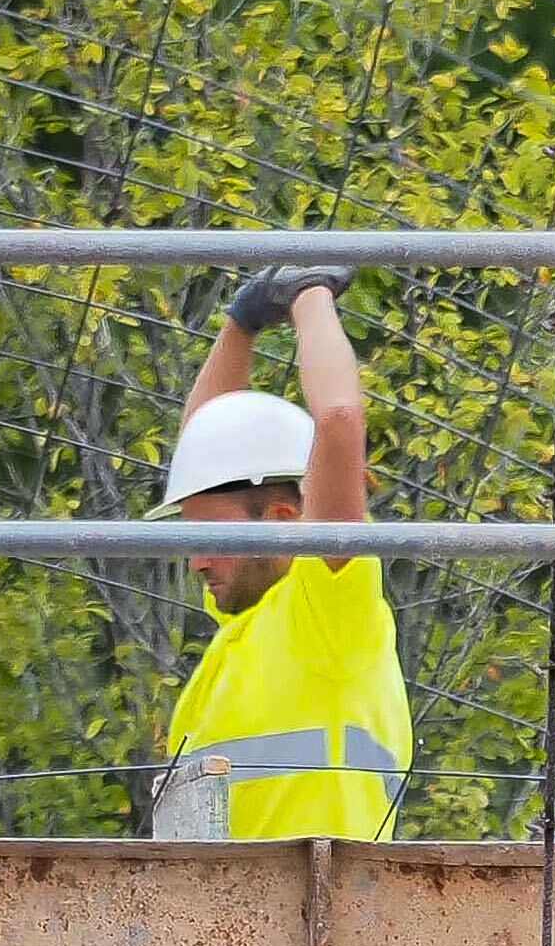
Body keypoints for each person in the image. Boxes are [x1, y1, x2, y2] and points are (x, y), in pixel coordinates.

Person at [152, 265, 412, 841]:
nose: (196, 562)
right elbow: (207, 444)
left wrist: (309, 292)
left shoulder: (327, 616)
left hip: (320, 918)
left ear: (284, 523)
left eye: (213, 542)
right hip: (229, 922)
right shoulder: (241, 631)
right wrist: (239, 326)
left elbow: (339, 420)